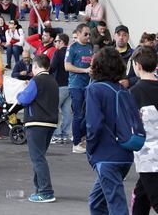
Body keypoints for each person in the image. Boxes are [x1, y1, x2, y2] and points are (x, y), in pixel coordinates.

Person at [86, 47, 134, 215]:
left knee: (116, 206)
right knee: (97, 202)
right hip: (125, 154)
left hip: (106, 156)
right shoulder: (123, 90)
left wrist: (90, 149)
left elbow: (94, 125)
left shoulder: (95, 89)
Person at [17, 54, 59, 204]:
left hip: (36, 123)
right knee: (40, 157)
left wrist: (22, 91)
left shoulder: (37, 80)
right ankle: (40, 188)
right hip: (50, 123)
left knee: (37, 158)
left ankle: (46, 191)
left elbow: (24, 99)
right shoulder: (53, 81)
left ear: (35, 66)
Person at [130, 46, 158, 214]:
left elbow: (129, 125)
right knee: (141, 195)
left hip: (149, 156)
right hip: (150, 157)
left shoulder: (134, 92)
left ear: (137, 65)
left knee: (155, 198)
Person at [65, 23, 93, 153]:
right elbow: (67, 66)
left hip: (88, 85)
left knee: (88, 114)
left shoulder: (90, 47)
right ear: (78, 33)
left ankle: (80, 137)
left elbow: (90, 65)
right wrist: (84, 70)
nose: (88, 36)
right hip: (76, 85)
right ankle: (76, 143)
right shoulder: (72, 48)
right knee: (78, 114)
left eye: (89, 34)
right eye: (85, 34)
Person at [49, 33, 72, 143]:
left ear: (61, 42)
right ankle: (65, 134)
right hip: (71, 85)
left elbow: (52, 67)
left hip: (59, 85)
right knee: (67, 111)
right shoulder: (71, 52)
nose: (55, 43)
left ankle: (57, 134)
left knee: (54, 109)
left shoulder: (57, 53)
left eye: (56, 41)